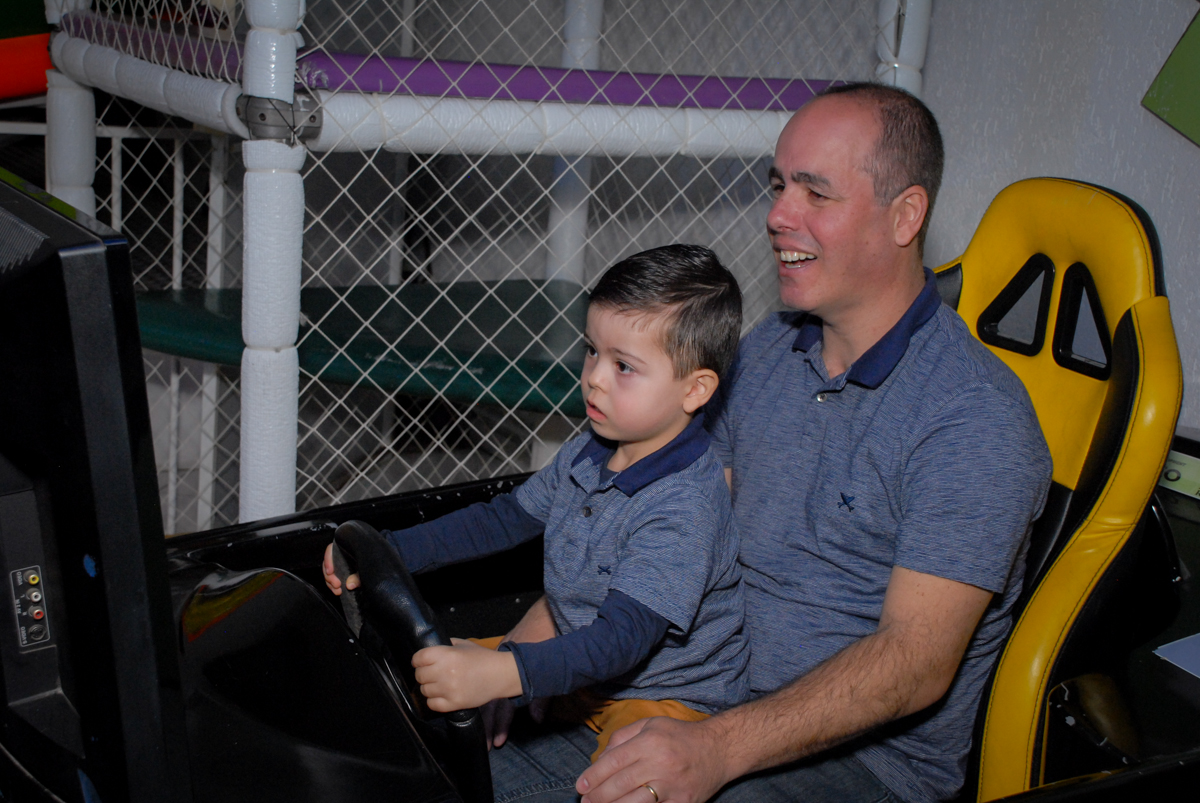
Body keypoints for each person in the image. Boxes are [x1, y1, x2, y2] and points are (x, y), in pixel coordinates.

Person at [485, 83, 1053, 803]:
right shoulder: (767, 353)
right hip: (689, 689)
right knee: (447, 762)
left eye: (816, 194)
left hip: (855, 765)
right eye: (779, 186)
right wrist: (531, 649)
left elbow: (915, 661)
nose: (777, 216)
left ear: (906, 215)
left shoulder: (976, 418)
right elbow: (653, 517)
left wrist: (715, 748)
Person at [323, 244, 750, 761]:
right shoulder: (591, 450)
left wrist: (508, 674)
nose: (594, 376)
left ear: (695, 390)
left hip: (662, 696)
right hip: (583, 662)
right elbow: (501, 520)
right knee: (422, 672)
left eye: (624, 366)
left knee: (631, 775)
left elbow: (621, 642)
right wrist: (390, 552)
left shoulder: (683, 508)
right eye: (593, 350)